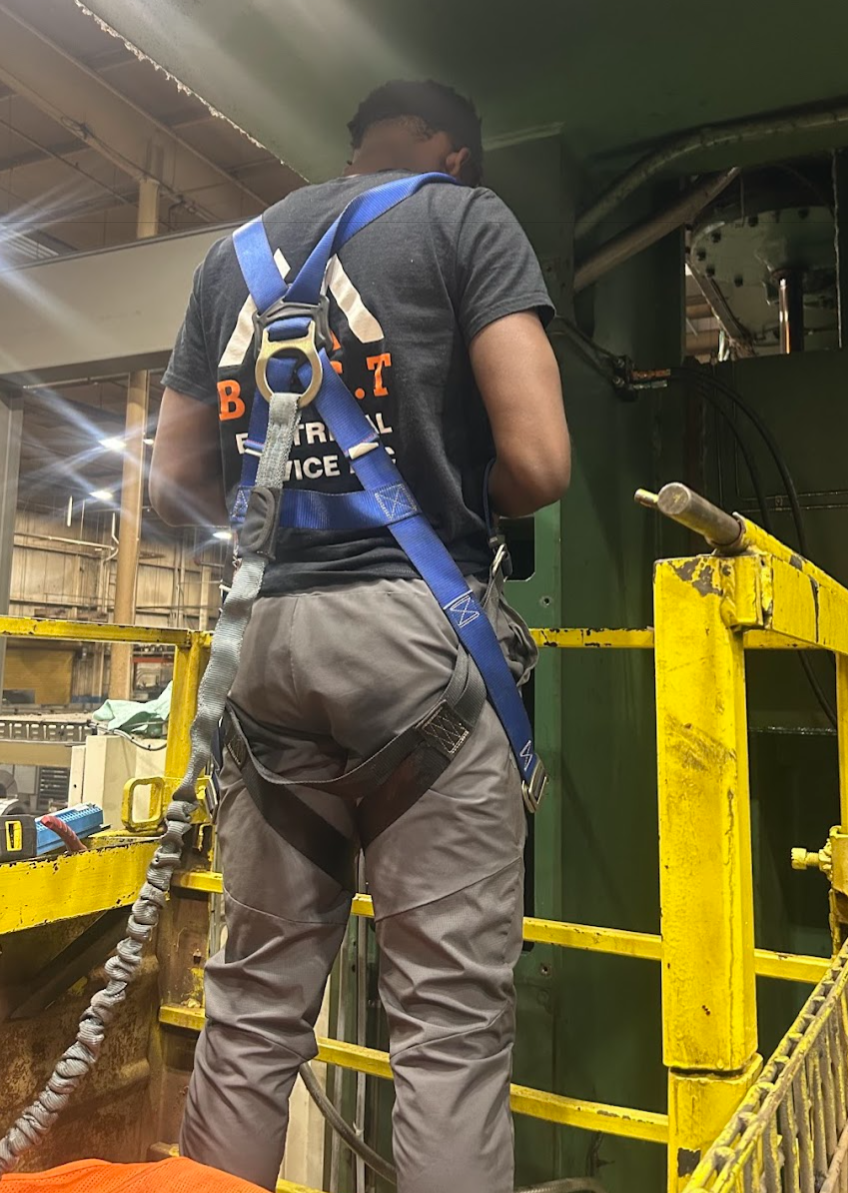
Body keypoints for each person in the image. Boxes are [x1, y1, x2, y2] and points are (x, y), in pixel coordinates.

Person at [150, 79, 570, 1193]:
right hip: (412, 643)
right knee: (444, 1030)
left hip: (262, 645)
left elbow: (172, 486)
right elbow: (538, 465)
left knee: (248, 1011)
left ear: (351, 151)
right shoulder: (463, 219)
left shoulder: (228, 256)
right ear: (454, 155)